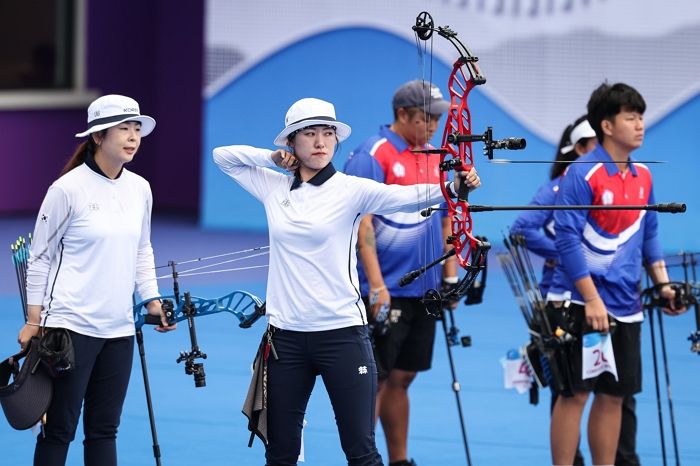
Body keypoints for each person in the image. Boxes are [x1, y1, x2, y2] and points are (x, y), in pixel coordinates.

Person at [212, 97, 479, 466]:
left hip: (342, 335)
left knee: (361, 453)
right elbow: (222, 155)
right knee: (280, 454)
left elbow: (405, 197)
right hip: (285, 340)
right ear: (291, 143)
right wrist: (269, 159)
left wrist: (455, 186)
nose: (320, 142)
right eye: (309, 134)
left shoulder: (351, 190)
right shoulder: (272, 186)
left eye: (327, 133)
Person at [17, 94, 176, 466]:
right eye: (124, 128)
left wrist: (152, 301)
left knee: (105, 430)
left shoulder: (140, 189)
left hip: (119, 331)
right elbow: (39, 259)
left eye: (137, 128)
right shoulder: (67, 190)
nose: (133, 136)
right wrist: (33, 320)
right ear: (98, 136)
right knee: (59, 429)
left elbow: (142, 249)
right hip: (70, 329)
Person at [546, 82, 685, 466]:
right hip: (580, 302)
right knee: (575, 395)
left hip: (627, 305)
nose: (640, 125)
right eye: (631, 117)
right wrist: (591, 298)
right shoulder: (583, 173)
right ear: (607, 126)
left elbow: (649, 235)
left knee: (613, 395)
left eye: (641, 117)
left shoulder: (643, 175)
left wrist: (664, 285)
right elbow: (567, 240)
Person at [343, 80, 459, 466]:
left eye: (437, 118)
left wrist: (451, 277)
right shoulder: (372, 154)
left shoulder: (434, 155)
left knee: (403, 377)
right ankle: (364, 461)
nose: (433, 126)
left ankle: (399, 460)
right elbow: (361, 225)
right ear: (402, 115)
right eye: (426, 118)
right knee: (374, 381)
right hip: (384, 291)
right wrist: (375, 285)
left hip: (423, 292)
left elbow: (446, 221)